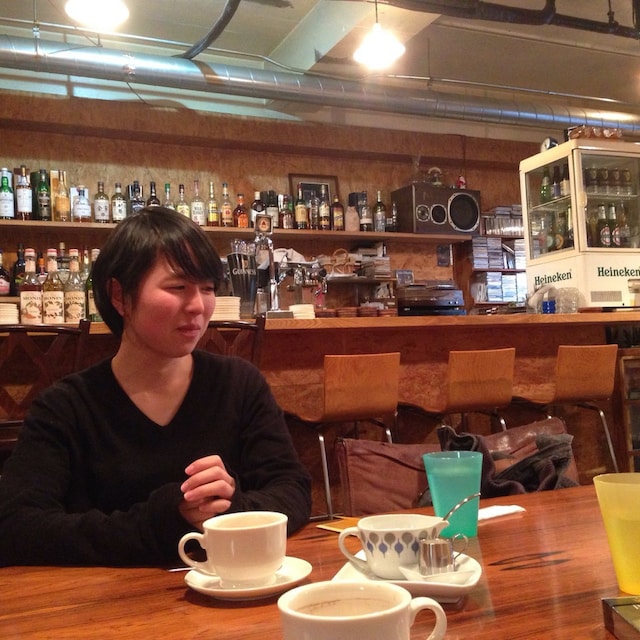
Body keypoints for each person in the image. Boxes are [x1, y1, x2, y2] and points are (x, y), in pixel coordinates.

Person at [0, 207, 311, 566]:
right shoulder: (66, 407)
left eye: (208, 288)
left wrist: (230, 510)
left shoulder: (239, 384)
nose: (198, 306)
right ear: (119, 296)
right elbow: (14, 526)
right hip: (111, 598)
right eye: (178, 287)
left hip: (231, 587)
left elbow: (292, 489)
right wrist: (162, 520)